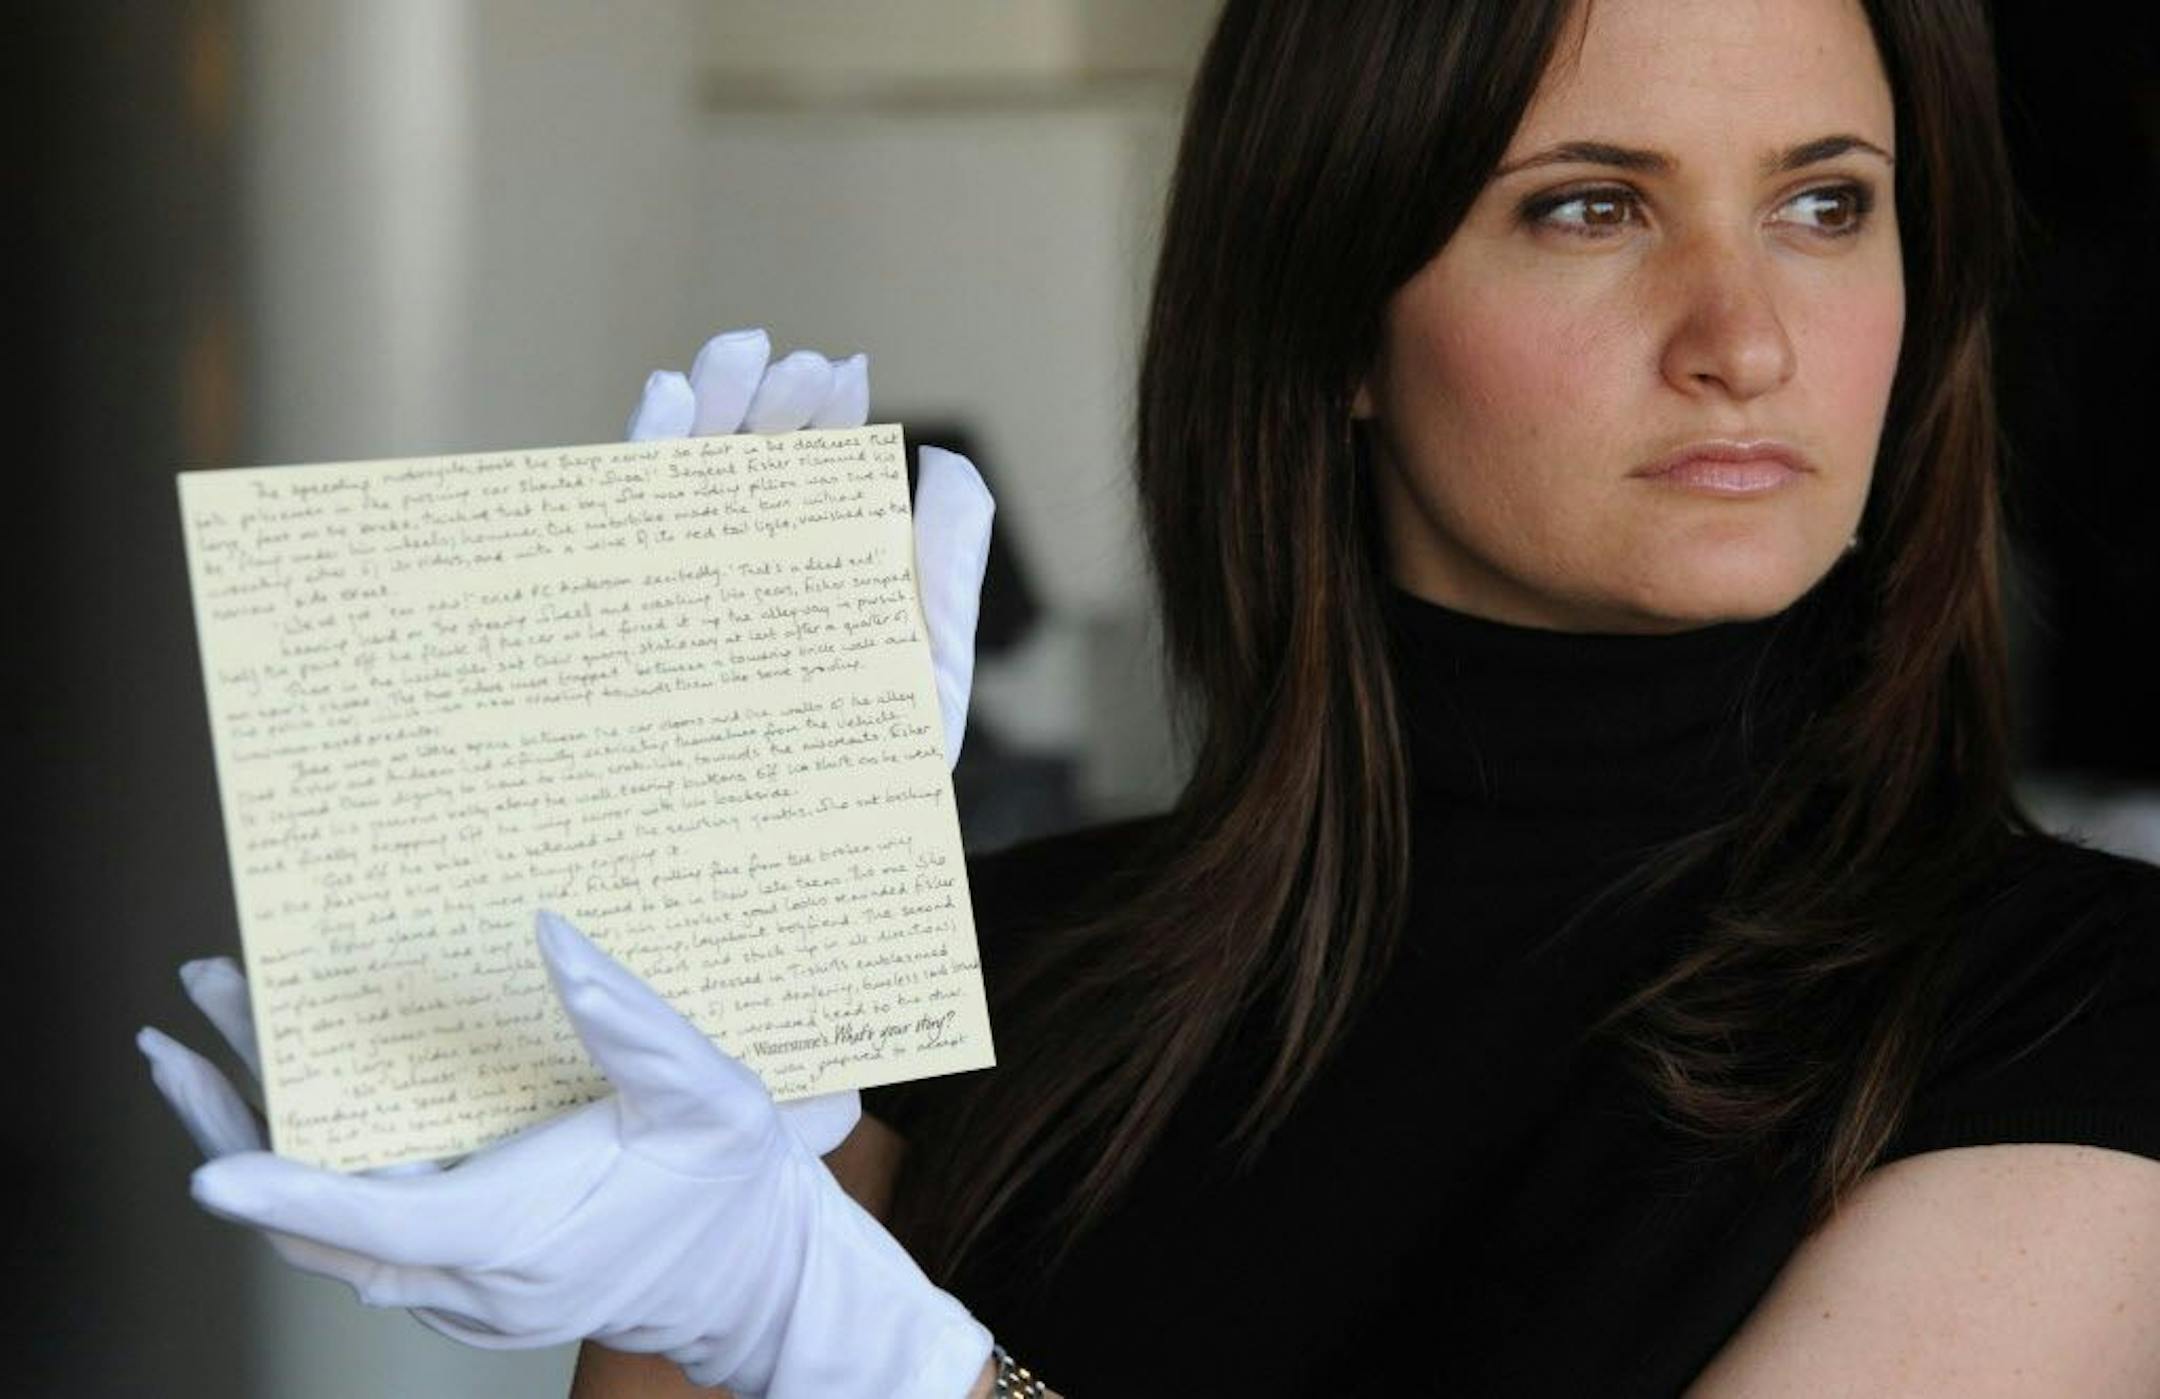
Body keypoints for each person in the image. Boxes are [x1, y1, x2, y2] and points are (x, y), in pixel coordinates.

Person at [143, 0, 2160, 1394]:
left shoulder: (2078, 1018)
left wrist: (859, 1343)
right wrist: (703, 1211)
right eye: (1590, 205)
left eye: (1828, 203)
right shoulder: (961, 1010)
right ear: (1336, 312)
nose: (1746, 336)